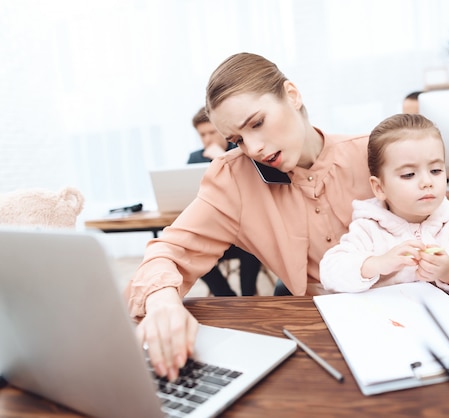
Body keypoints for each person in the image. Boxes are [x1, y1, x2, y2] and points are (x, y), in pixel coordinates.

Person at [125, 52, 374, 381]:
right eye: (238, 139)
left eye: (257, 123)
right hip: (317, 338)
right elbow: (166, 252)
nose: (253, 148)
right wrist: (162, 303)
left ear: (292, 95)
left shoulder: (372, 151)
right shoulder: (233, 179)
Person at [320, 113, 449, 294]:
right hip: (384, 319)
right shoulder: (368, 228)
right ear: (379, 187)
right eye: (408, 174)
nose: (427, 182)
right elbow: (330, 273)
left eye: (436, 170)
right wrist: (378, 263)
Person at [187, 107, 262, 297]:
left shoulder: (241, 150)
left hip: (243, 233)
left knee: (253, 243)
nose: (207, 139)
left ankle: (248, 298)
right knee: (190, 251)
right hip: (215, 232)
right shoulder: (195, 158)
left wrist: (220, 159)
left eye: (212, 132)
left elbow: (250, 191)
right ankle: (226, 296)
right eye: (202, 134)